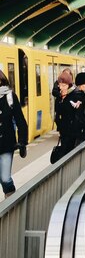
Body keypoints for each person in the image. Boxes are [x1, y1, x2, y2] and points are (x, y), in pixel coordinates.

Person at [0, 70, 28, 198]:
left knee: (5, 179)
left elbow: (20, 121)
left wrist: (22, 141)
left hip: (6, 144)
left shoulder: (10, 97)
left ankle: (11, 204)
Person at [53, 71, 82, 161]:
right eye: (60, 85)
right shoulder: (60, 96)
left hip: (72, 131)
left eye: (63, 85)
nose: (61, 87)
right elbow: (58, 110)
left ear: (69, 85)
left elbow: (75, 112)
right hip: (63, 130)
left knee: (68, 153)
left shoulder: (76, 94)